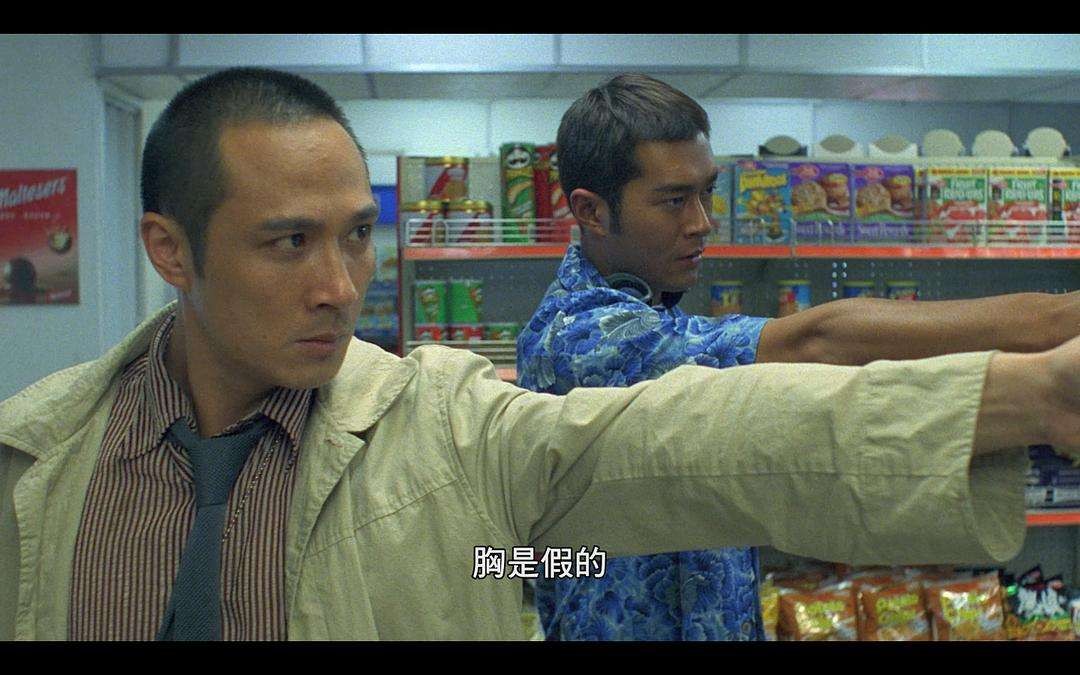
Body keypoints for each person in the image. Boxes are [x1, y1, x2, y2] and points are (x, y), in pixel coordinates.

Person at [1, 68, 1079, 642]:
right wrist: (544, 565)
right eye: (289, 243)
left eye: (359, 235)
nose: (340, 285)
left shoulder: (436, 422)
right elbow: (792, 358)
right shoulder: (35, 468)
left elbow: (716, 445)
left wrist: (1026, 396)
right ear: (170, 250)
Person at [516, 73, 1080, 641]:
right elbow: (818, 342)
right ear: (591, 212)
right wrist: (1055, 323)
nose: (702, 222)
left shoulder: (649, 310)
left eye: (706, 193)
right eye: (673, 201)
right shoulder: (581, 338)